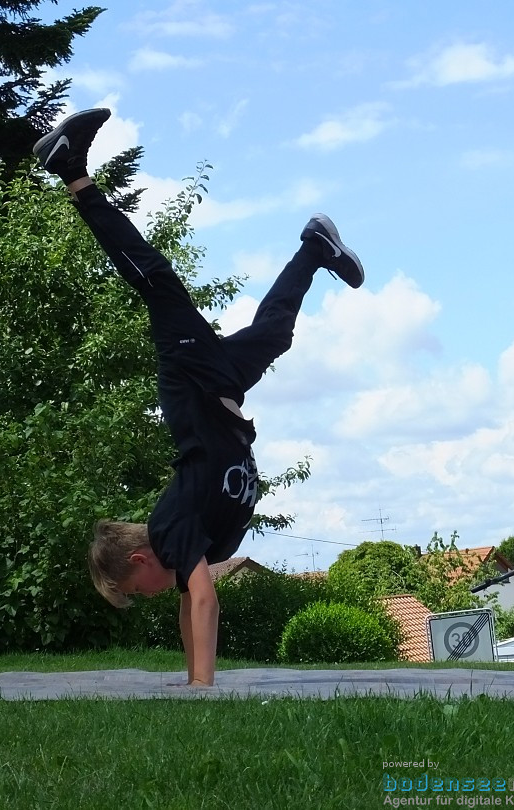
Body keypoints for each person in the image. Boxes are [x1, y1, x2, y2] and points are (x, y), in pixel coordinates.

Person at [32, 108, 364, 687]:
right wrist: (191, 675)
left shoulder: (172, 531)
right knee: (273, 336)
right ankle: (314, 247)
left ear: (140, 562)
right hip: (215, 388)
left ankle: (71, 172)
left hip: (191, 377)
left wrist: (203, 691)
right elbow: (193, 605)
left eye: (140, 592)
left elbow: (203, 603)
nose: (151, 598)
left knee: (156, 279)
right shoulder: (188, 548)